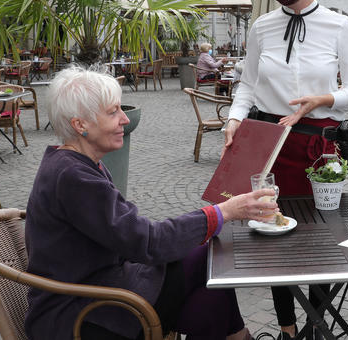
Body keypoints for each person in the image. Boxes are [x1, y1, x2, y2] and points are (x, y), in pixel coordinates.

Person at [24, 65, 278, 340]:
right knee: (208, 259)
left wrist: (216, 217)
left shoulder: (78, 164)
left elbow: (132, 237)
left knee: (209, 297)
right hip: (81, 312)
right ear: (80, 125)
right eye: (113, 112)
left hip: (102, 291)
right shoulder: (73, 176)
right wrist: (224, 212)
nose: (124, 119)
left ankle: (239, 335)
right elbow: (147, 242)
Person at [223, 0, 348, 340]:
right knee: (273, 239)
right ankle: (287, 329)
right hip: (268, 144)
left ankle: (314, 326)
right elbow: (247, 85)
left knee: (325, 239)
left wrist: (326, 97)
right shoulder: (262, 26)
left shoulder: (338, 26)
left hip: (319, 148)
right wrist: (234, 120)